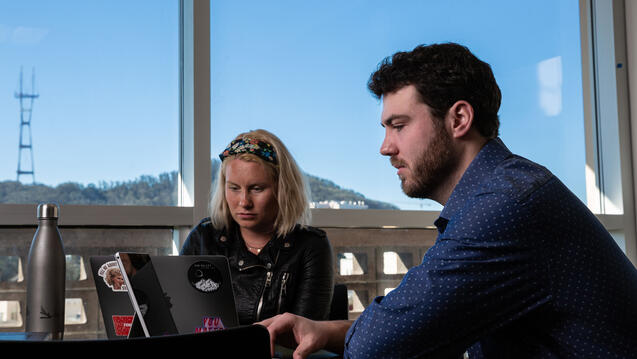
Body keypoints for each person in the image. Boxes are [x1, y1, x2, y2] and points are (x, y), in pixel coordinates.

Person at [258, 43, 637, 358]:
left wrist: (340, 334)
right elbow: (417, 323)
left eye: (399, 126)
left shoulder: (503, 207)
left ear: (458, 119)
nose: (385, 147)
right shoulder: (505, 189)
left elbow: (379, 347)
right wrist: (326, 331)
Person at [180, 129, 334, 325]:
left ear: (283, 189)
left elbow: (304, 336)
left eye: (257, 189)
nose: (244, 202)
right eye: (234, 188)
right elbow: (179, 316)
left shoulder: (311, 246)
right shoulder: (204, 236)